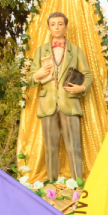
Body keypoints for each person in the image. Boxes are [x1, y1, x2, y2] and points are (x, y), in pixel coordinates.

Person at [28, 11, 93, 182]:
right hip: (48, 103)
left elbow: (88, 74)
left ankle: (77, 183)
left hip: (69, 103)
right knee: (50, 147)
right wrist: (38, 74)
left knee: (74, 147)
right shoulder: (41, 50)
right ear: (48, 28)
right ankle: (52, 183)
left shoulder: (76, 51)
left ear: (66, 26)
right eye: (53, 24)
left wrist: (82, 88)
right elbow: (31, 78)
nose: (56, 27)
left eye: (60, 24)